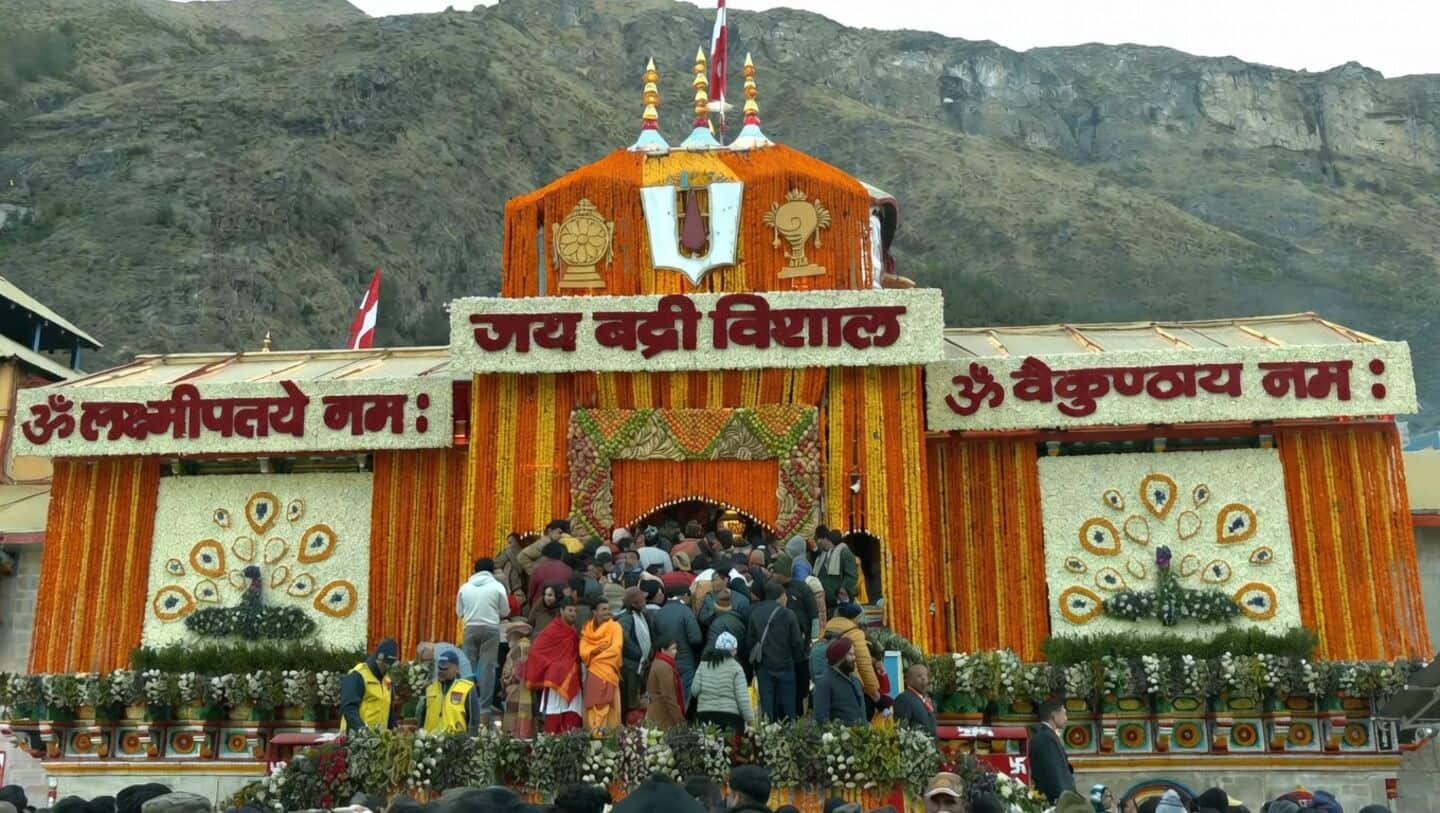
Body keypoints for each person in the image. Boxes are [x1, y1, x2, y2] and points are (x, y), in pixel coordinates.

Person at [456, 557, 510, 719]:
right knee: (487, 668)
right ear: (492, 570)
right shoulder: (497, 586)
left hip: (470, 629)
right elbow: (505, 611)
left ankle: (468, 702)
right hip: (491, 630)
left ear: (475, 570)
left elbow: (459, 612)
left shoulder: (464, 587)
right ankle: (484, 707)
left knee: (469, 667)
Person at [748, 581, 807, 721]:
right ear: (780, 596)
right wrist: (799, 662)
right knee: (788, 708)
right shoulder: (788, 614)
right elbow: (797, 643)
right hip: (785, 666)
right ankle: (789, 734)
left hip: (764, 667)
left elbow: (750, 641)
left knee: (768, 708)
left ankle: (768, 734)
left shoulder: (755, 613)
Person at [525, 597, 584, 733]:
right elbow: (536, 651)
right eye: (570, 610)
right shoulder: (552, 629)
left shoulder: (574, 631)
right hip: (555, 680)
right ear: (561, 611)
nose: (573, 613)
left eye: (574, 611)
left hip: (572, 677)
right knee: (554, 718)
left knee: (573, 715)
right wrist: (554, 666)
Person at [691, 631, 752, 736]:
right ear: (732, 651)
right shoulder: (736, 668)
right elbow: (742, 699)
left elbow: (694, 690)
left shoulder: (703, 665)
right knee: (730, 750)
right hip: (730, 718)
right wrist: (749, 719)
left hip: (705, 716)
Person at [652, 583, 703, 702]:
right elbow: (696, 638)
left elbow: (655, 639)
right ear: (685, 595)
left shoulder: (659, 613)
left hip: (665, 661)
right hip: (686, 661)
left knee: (669, 695)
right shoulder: (686, 611)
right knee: (683, 697)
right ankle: (681, 719)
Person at [579, 597, 624, 730]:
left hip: (608, 672)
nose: (607, 612)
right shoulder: (587, 629)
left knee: (609, 706)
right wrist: (596, 649)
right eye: (603, 609)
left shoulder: (615, 627)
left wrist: (595, 658)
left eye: (608, 609)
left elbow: (616, 649)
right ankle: (594, 735)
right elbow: (583, 652)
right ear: (595, 612)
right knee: (594, 705)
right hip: (593, 674)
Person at [823, 602, 880, 704]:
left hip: (825, 682)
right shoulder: (855, 634)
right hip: (849, 684)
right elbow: (864, 665)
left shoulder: (825, 629)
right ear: (856, 618)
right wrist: (874, 691)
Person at [416, 650, 481, 734]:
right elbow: (422, 718)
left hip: (455, 743)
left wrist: (470, 741)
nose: (441, 671)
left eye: (446, 667)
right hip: (430, 742)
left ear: (457, 669)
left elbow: (474, 722)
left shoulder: (466, 688)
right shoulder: (430, 689)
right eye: (440, 667)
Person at [340, 639, 397, 732]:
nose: (387, 667)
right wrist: (362, 731)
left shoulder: (386, 680)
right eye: (385, 664)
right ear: (378, 658)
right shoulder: (358, 676)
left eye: (390, 665)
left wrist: (394, 728)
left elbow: (389, 709)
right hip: (357, 739)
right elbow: (349, 708)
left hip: (380, 739)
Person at [616, 586, 653, 716]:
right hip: (630, 668)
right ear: (634, 603)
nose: (645, 600)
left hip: (638, 665)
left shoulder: (642, 615)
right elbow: (623, 638)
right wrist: (639, 654)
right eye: (642, 599)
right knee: (630, 703)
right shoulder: (626, 619)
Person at [1031, 697, 1077, 803]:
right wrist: (1065, 802)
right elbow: (1055, 773)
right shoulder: (1046, 738)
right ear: (1054, 715)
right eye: (1064, 713)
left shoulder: (1048, 736)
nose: (1066, 718)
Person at [812, 637, 865, 724]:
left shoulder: (855, 681)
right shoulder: (824, 683)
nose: (854, 658)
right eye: (850, 655)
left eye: (854, 654)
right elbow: (821, 718)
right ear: (839, 658)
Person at [499, 621, 535, 738]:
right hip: (514, 690)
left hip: (518, 690)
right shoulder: (519, 648)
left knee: (514, 724)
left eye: (509, 634)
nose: (507, 637)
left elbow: (519, 671)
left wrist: (508, 679)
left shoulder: (522, 647)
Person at [645, 637, 686, 730]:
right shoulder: (664, 667)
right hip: (662, 716)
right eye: (673, 649)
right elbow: (669, 697)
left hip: (656, 712)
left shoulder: (658, 662)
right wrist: (681, 722)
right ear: (663, 650)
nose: (676, 652)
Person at [813, 529, 857, 605]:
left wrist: (844, 588)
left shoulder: (844, 552)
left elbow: (851, 575)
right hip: (828, 600)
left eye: (827, 540)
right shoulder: (826, 553)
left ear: (830, 541)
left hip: (840, 599)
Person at [893, 662, 937, 736]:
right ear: (908, 681)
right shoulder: (904, 699)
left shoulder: (927, 698)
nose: (923, 678)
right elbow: (901, 730)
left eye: (925, 675)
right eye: (919, 676)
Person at [529, 541, 573, 607]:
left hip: (540, 608)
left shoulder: (538, 569)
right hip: (560, 608)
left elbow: (531, 593)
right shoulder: (568, 570)